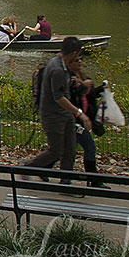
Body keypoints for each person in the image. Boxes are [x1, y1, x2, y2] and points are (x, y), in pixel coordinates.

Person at [22, 36, 92, 178]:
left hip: (65, 114)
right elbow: (58, 97)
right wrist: (80, 113)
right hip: (53, 115)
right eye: (78, 54)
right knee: (56, 150)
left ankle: (66, 182)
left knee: (70, 150)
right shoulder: (57, 69)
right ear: (74, 53)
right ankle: (27, 167)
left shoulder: (61, 64)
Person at [67, 55, 106, 187]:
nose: (80, 61)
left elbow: (89, 95)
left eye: (80, 59)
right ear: (70, 63)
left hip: (84, 118)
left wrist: (101, 89)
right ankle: (93, 179)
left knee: (65, 149)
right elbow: (68, 97)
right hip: (74, 119)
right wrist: (82, 86)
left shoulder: (83, 76)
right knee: (89, 147)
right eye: (76, 59)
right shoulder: (69, 78)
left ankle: (44, 167)